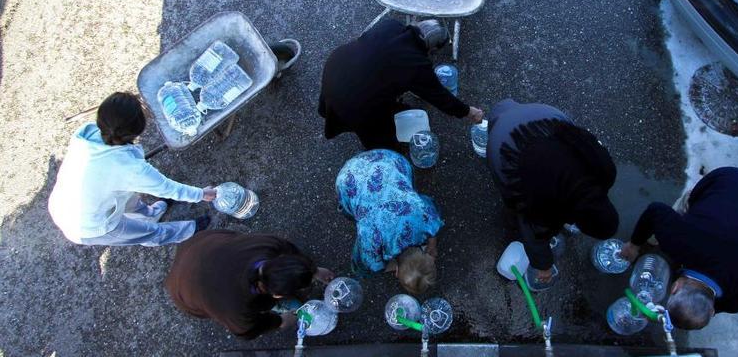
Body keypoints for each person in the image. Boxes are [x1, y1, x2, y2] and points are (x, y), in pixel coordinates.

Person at [621, 167, 738, 330]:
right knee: (684, 207)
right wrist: (634, 245)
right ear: (675, 287)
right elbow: (655, 211)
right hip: (730, 180)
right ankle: (661, 230)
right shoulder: (678, 242)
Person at [48, 92, 215, 247]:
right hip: (88, 225)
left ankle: (152, 214)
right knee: (148, 234)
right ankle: (189, 230)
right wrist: (201, 194)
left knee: (131, 202)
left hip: (69, 200)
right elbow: (168, 188)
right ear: (138, 129)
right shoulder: (129, 169)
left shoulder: (87, 134)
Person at [487, 99, 619, 289]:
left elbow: (585, 140)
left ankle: (504, 111)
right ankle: (500, 120)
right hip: (508, 143)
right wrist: (544, 266)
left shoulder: (606, 171)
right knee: (517, 209)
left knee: (504, 112)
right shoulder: (548, 205)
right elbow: (534, 233)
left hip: (542, 116)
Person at [319, 18, 484, 149]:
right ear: (431, 50)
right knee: (381, 138)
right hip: (352, 101)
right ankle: (380, 152)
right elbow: (441, 98)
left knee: (374, 82)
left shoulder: (390, 25)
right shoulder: (415, 65)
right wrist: (469, 112)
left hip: (336, 68)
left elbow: (379, 60)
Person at [164, 230, 334, 340]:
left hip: (198, 247)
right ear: (277, 295)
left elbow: (289, 249)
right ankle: (279, 308)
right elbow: (247, 330)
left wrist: (314, 270)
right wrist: (280, 321)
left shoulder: (265, 246)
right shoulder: (236, 310)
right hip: (182, 288)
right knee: (244, 306)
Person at [335, 149, 443, 294]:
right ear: (396, 272)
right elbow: (365, 262)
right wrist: (385, 266)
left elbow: (432, 216)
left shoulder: (423, 218)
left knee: (412, 193)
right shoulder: (371, 241)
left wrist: (432, 244)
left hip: (388, 160)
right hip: (347, 181)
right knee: (363, 267)